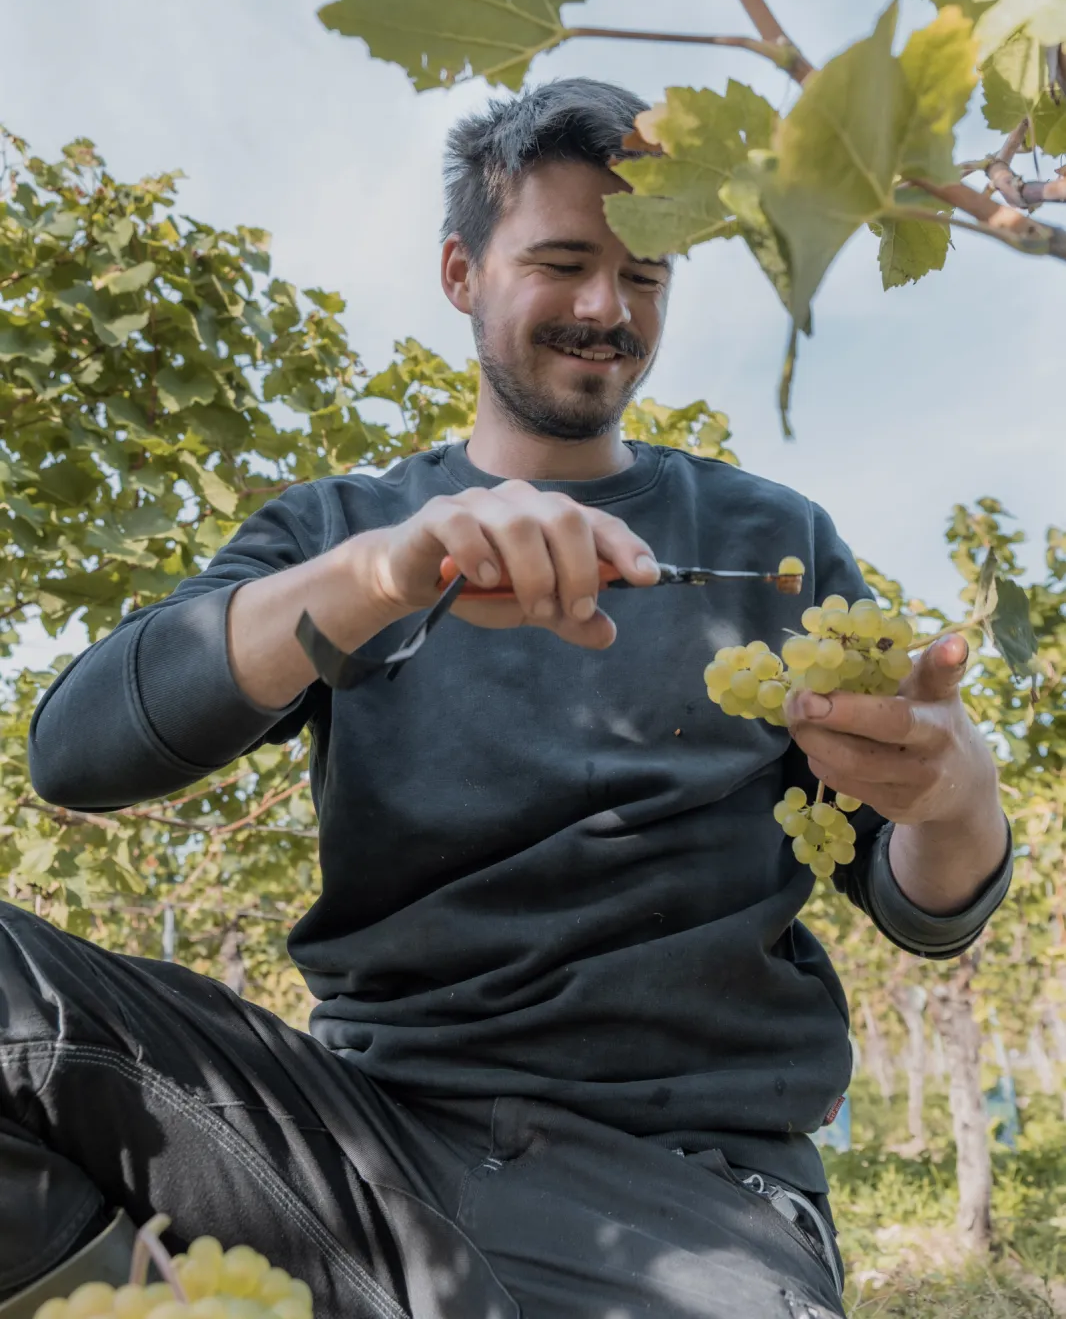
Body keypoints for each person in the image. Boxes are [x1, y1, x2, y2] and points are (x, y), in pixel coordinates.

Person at [2, 79, 1010, 1319]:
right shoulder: (341, 535)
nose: (607, 308)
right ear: (460, 272)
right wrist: (377, 576)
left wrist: (957, 797)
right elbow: (77, 752)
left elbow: (922, 906)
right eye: (563, 261)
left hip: (688, 1195)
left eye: (645, 275)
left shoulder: (774, 543)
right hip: (355, 1144)